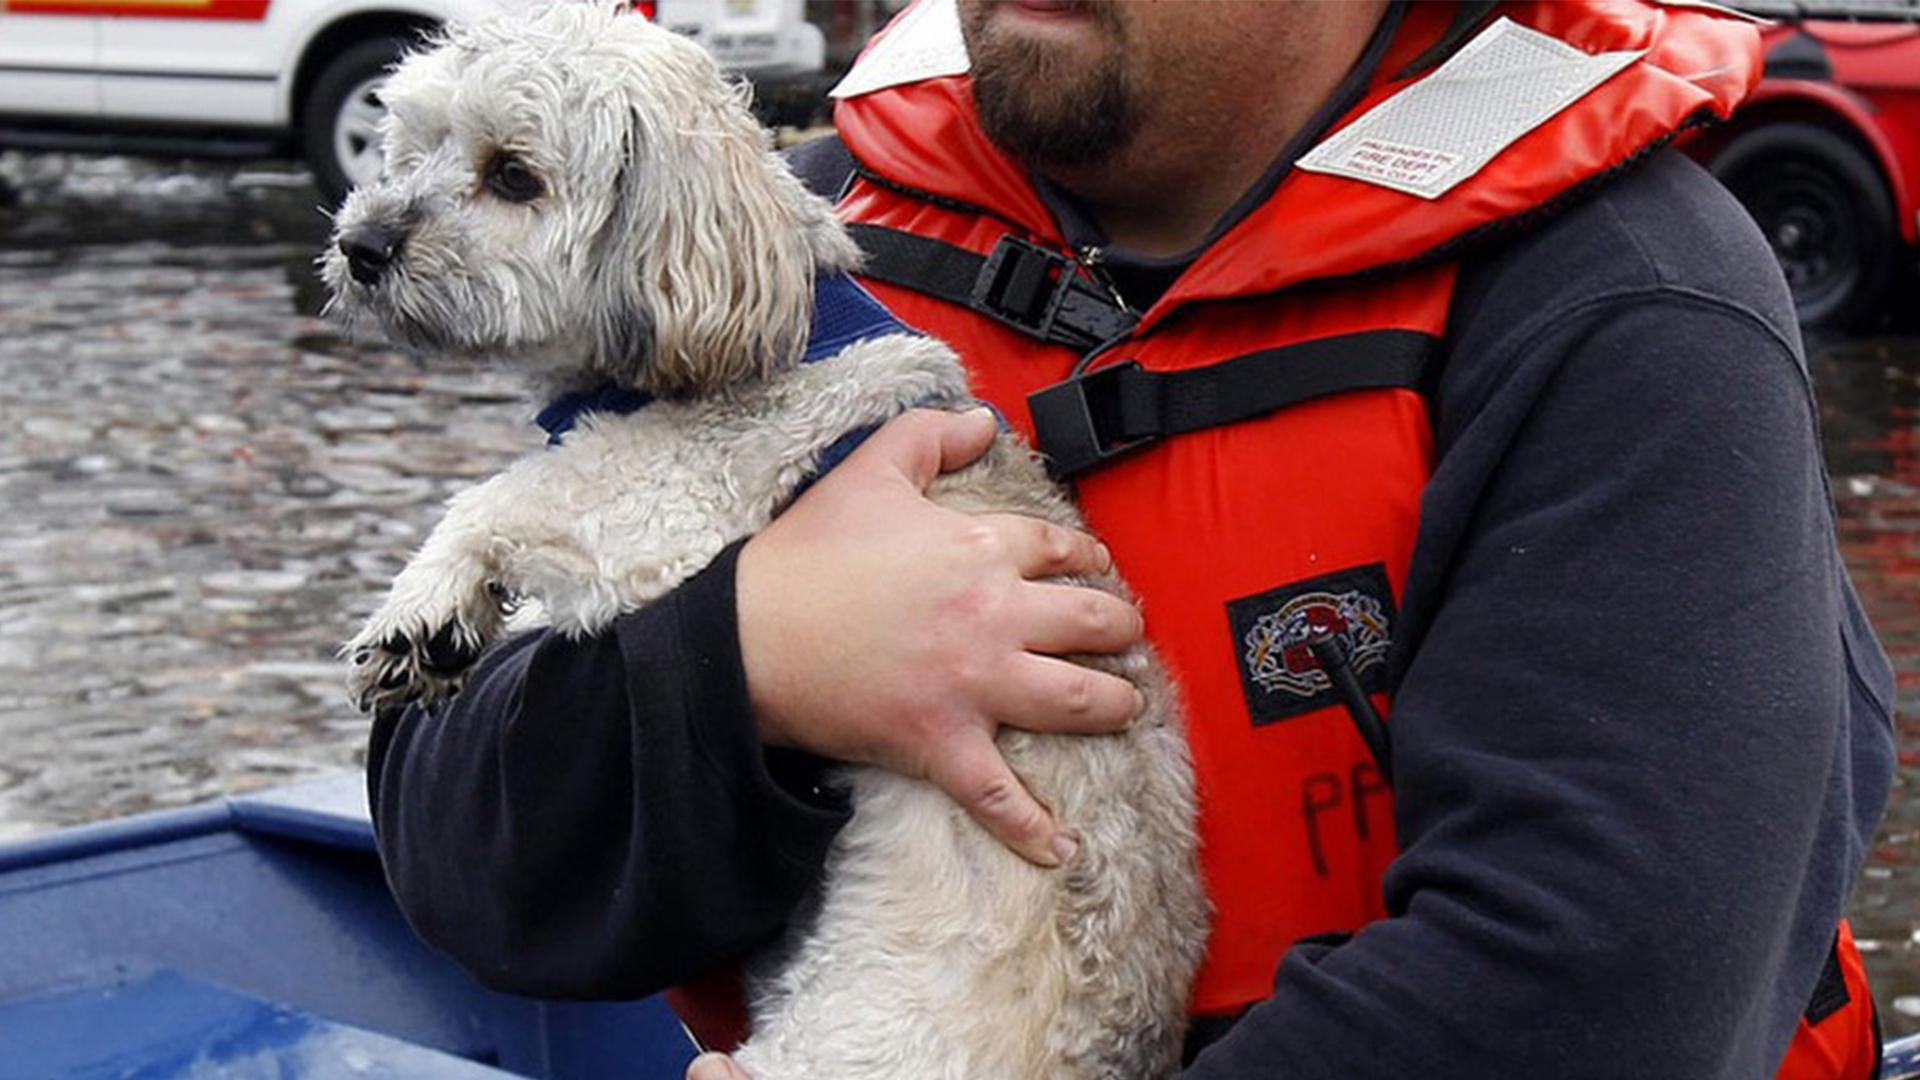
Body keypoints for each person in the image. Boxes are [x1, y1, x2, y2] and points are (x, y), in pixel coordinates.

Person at [366, 1, 1898, 1077]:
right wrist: (753, 661)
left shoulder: (1628, 309)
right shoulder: (790, 251)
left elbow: (1598, 1004)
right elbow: (456, 846)